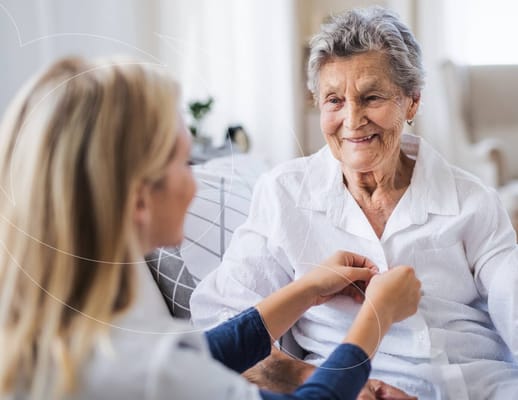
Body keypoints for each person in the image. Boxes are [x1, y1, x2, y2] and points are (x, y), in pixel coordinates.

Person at [0, 56, 422, 400]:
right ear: (140, 198)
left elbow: (205, 353)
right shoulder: (147, 374)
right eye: (185, 161)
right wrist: (376, 317)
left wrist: (306, 290)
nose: (195, 180)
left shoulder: (63, 341)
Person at [190, 6, 518, 400]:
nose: (352, 119)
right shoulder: (284, 194)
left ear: (412, 102)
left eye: (371, 97)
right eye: (334, 100)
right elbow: (223, 326)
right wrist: (318, 377)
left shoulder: (472, 200)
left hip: (481, 388)